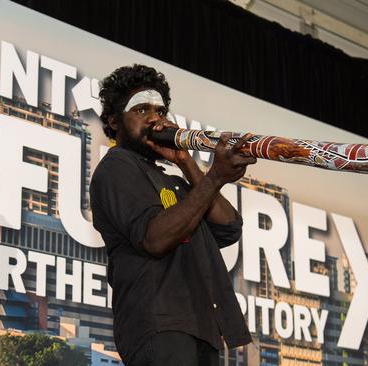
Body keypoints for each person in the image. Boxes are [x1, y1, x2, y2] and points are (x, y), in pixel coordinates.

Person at [90, 64, 255, 366]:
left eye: (160, 110)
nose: (155, 118)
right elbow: (155, 238)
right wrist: (216, 176)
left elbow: (228, 228)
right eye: (141, 110)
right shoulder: (117, 166)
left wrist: (186, 162)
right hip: (159, 327)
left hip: (200, 329)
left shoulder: (175, 182)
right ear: (114, 121)